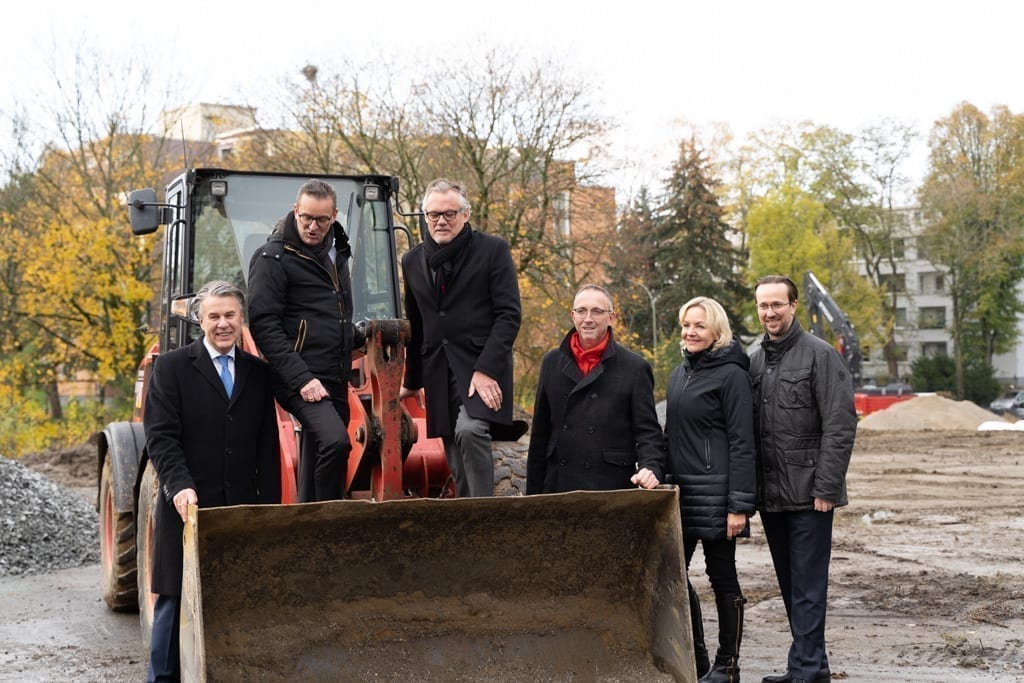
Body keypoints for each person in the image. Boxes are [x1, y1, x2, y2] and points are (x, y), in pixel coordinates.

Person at [143, 280, 280, 682]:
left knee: (234, 602)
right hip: (186, 508)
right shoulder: (171, 369)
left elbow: (266, 450)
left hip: (239, 511)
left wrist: (267, 512)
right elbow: (161, 438)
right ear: (200, 320)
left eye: (230, 315)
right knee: (173, 602)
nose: (223, 324)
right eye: (214, 316)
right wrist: (180, 487)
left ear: (242, 319)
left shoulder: (258, 373)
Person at [749, 275, 857, 683]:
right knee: (792, 586)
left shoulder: (821, 355)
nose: (770, 312)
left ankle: (808, 670)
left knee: (809, 589)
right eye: (763, 306)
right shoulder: (756, 361)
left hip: (811, 495)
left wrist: (827, 488)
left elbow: (841, 424)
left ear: (794, 306)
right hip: (773, 496)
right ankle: (808, 666)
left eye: (777, 304)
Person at [399, 178, 522, 497]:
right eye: (433, 215)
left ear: (465, 214)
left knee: (469, 430)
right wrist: (412, 379)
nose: (441, 221)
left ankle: (484, 514)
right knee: (452, 449)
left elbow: (509, 315)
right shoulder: (411, 261)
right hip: (438, 369)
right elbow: (417, 324)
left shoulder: (492, 250)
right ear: (424, 217)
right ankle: (466, 515)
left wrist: (486, 370)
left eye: (450, 213)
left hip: (480, 367)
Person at [248, 179, 361, 502]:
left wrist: (356, 336)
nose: (313, 226)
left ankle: (308, 521)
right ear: (295, 210)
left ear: (334, 216)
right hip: (297, 376)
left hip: (334, 374)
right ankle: (325, 521)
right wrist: (302, 379)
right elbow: (264, 325)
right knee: (335, 442)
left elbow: (332, 316)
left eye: (322, 220)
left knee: (319, 451)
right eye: (306, 218)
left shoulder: (338, 253)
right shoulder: (273, 258)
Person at [664, 296, 755, 681]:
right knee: (674, 578)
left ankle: (727, 664)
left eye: (699, 325)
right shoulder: (679, 374)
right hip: (682, 498)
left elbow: (742, 442)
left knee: (722, 578)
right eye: (686, 325)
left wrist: (739, 506)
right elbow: (673, 436)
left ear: (716, 330)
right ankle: (698, 658)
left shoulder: (731, 375)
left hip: (718, 497)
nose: (690, 332)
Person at [526, 284, 664, 493]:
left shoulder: (635, 368)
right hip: (558, 487)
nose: (588, 318)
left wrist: (651, 467)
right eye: (581, 311)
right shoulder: (551, 362)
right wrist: (531, 501)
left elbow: (648, 434)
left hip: (611, 489)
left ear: (611, 318)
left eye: (597, 311)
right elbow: (539, 436)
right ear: (573, 315)